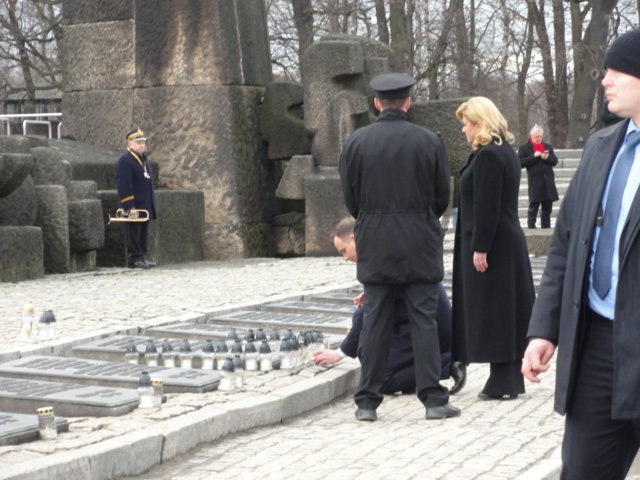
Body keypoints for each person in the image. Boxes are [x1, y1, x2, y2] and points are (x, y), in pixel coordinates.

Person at [522, 29, 640, 479]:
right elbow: (566, 246)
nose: (605, 80)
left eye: (617, 71)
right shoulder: (600, 148)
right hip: (597, 349)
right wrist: (545, 329)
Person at [338, 72, 459, 422]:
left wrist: (373, 219)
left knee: (375, 320)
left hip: (375, 239)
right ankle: (433, 399)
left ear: (377, 103)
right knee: (424, 319)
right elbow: (441, 196)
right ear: (408, 101)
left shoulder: (357, 142)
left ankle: (367, 402)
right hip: (419, 239)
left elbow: (351, 199)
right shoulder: (429, 140)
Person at [314, 217, 467, 395]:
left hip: (432, 325)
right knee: (374, 353)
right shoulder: (387, 246)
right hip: (420, 316)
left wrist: (339, 353)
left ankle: (450, 362)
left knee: (382, 378)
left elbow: (366, 314)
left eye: (344, 251)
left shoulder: (378, 258)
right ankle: (415, 377)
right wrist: (372, 294)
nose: (345, 258)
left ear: (354, 239)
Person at [452, 97, 535, 401]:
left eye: (466, 124)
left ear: (480, 124)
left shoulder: (488, 155)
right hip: (506, 240)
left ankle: (503, 380)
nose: (464, 130)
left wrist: (480, 248)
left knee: (496, 310)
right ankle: (506, 378)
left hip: (494, 243)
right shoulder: (504, 151)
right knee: (505, 308)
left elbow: (487, 206)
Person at [115, 128, 157, 269]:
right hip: (134, 203)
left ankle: (142, 256)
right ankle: (134, 258)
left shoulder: (143, 159)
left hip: (145, 202)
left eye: (143, 143)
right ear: (130, 144)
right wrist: (129, 205)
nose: (142, 146)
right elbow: (124, 184)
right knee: (134, 231)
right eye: (138, 143)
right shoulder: (125, 160)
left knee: (143, 231)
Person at [518, 124, 559, 229]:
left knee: (547, 210)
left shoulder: (547, 147)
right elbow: (520, 163)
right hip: (535, 183)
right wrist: (533, 156)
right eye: (537, 136)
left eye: (541, 136)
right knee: (533, 209)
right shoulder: (524, 148)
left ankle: (546, 230)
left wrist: (547, 158)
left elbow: (555, 161)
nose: (539, 138)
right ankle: (531, 230)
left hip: (548, 182)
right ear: (531, 136)